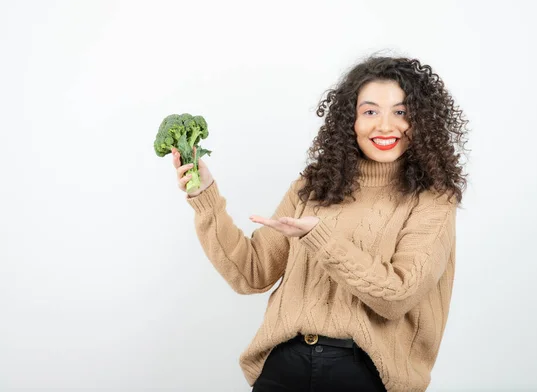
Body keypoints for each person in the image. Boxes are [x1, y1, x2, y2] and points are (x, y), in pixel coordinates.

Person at [171, 55, 469, 392]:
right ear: (350, 120)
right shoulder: (313, 185)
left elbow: (397, 296)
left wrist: (320, 237)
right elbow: (251, 273)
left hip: (364, 372)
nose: (385, 126)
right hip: (285, 363)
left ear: (421, 121)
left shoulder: (433, 200)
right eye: (370, 111)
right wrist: (205, 196)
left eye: (400, 112)